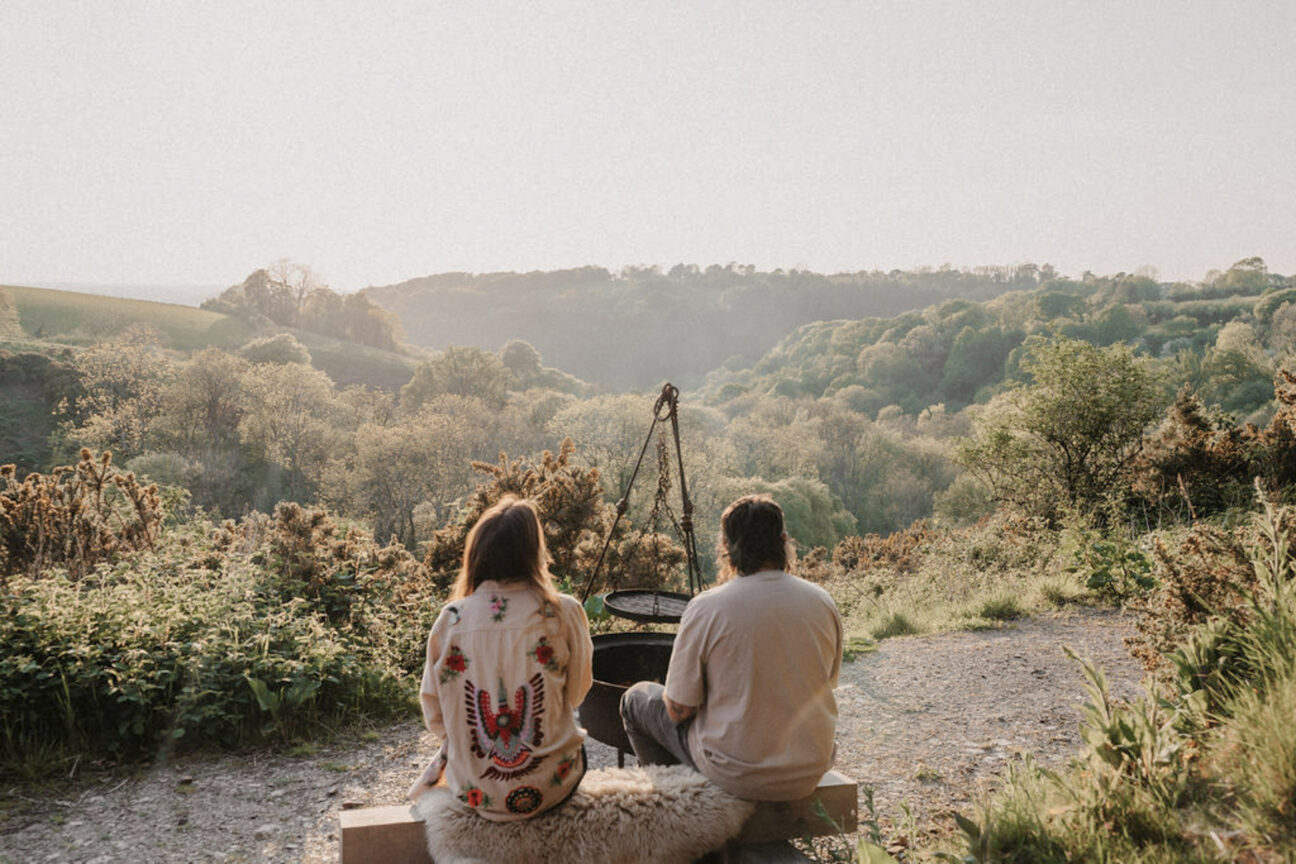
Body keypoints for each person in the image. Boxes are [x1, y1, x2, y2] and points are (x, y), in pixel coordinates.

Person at [619, 494, 842, 800]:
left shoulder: (707, 607)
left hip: (737, 774)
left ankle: (674, 805)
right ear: (783, 542)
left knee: (635, 700)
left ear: (727, 546)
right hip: (809, 769)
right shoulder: (822, 601)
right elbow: (824, 683)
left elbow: (677, 710)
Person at [409, 495, 594, 821]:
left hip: (475, 790)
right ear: (533, 552)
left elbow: (434, 712)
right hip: (552, 787)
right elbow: (578, 692)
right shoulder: (563, 611)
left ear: (478, 554)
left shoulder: (451, 618)